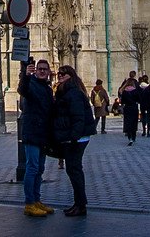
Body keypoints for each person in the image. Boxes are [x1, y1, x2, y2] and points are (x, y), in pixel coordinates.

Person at [51, 62, 96, 218]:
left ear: (71, 76)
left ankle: (80, 205)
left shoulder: (73, 93)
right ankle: (79, 204)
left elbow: (78, 118)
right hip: (73, 138)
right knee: (74, 170)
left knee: (74, 170)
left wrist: (73, 137)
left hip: (76, 139)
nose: (61, 75)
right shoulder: (66, 91)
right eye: (59, 73)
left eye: (64, 73)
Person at [19, 59, 56, 217]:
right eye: (39, 69)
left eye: (44, 69)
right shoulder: (31, 83)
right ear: (35, 71)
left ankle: (36, 200)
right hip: (32, 132)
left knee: (40, 169)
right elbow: (23, 89)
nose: (42, 71)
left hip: (43, 134)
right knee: (32, 168)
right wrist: (26, 75)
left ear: (48, 72)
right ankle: (29, 203)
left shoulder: (47, 88)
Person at [119, 71, 141, 144]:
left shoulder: (124, 92)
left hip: (127, 108)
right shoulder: (135, 91)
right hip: (134, 107)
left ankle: (130, 137)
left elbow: (122, 101)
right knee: (134, 122)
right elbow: (139, 99)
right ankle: (134, 136)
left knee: (128, 122)